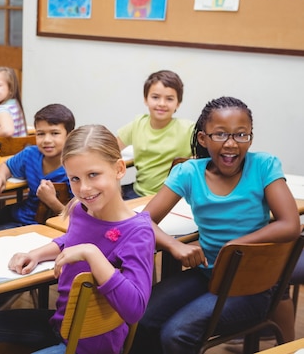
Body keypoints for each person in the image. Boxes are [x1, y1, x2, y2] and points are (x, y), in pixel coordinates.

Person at [129, 96, 301, 354]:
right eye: (220, 135)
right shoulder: (189, 172)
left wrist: (236, 244)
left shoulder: (264, 166)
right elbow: (142, 221)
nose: (231, 144)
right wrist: (174, 245)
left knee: (176, 334)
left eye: (241, 135)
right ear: (203, 139)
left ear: (250, 139)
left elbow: (290, 225)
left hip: (255, 285)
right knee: (140, 316)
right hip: (208, 273)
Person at [0, 125, 155, 354]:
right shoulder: (80, 209)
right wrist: (36, 253)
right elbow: (71, 239)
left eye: (93, 175)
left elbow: (135, 309)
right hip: (63, 324)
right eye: (74, 178)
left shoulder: (138, 233)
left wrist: (91, 253)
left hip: (93, 343)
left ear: (119, 168)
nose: (84, 188)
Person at [0, 103, 75, 233]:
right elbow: (6, 165)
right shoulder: (31, 154)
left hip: (40, 227)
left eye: (55, 133)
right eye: (40, 134)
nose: (46, 140)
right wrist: (1, 177)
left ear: (70, 136)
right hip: (21, 213)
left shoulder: (74, 170)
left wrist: (51, 201)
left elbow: (75, 220)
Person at [117, 70, 194, 200]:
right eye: (155, 97)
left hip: (172, 198)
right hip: (138, 192)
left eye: (169, 99)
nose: (162, 103)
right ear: (145, 99)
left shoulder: (188, 129)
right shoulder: (137, 124)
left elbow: (206, 157)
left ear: (178, 103)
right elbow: (109, 149)